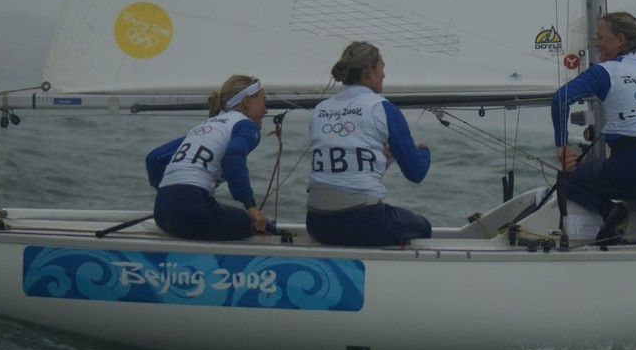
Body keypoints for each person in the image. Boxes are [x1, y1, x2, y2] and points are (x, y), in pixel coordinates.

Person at [551, 12, 636, 245]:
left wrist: (562, 147)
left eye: (600, 36)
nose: (594, 42)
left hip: (630, 171)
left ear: (620, 40)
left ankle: (610, 212)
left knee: (568, 179)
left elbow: (561, 99)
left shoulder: (606, 71)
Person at [306, 41, 432, 247]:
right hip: (363, 221)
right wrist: (425, 151)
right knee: (423, 226)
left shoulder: (320, 109)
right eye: (382, 68)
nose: (384, 75)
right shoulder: (382, 108)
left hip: (317, 224)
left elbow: (345, 157)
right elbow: (416, 173)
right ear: (369, 71)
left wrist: (384, 157)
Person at [145, 74, 274, 240]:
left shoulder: (205, 126)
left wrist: (172, 197)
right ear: (247, 101)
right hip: (193, 210)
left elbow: (154, 159)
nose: (266, 110)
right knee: (262, 226)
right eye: (263, 102)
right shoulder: (245, 125)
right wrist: (251, 207)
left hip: (162, 213)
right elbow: (233, 158)